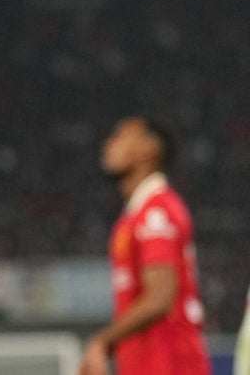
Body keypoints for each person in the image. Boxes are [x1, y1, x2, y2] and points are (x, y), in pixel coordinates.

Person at [79, 115, 210, 375]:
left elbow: (160, 297)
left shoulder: (157, 211)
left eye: (120, 136)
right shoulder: (134, 217)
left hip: (170, 364)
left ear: (149, 149)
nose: (109, 144)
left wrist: (102, 342)